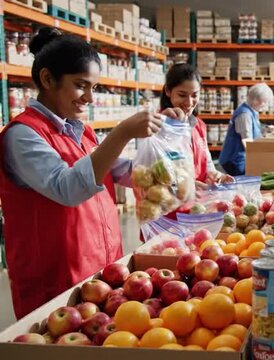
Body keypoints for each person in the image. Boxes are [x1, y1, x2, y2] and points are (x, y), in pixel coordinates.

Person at [0, 27, 164, 318]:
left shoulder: (82, 131)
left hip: (100, 272)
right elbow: (68, 189)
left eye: (94, 88)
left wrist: (164, 165)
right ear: (48, 79)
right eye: (80, 85)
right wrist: (123, 132)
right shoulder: (23, 135)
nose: (89, 97)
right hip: (55, 285)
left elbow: (119, 170)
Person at [159, 63, 234, 188]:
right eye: (182, 95)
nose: (189, 102)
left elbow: (207, 162)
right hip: (172, 201)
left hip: (199, 201)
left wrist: (216, 175)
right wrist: (188, 186)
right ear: (168, 91)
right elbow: (155, 174)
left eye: (194, 95)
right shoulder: (158, 126)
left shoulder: (198, 125)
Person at [219, 83, 273, 176]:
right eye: (264, 102)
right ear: (255, 100)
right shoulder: (244, 115)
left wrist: (266, 129)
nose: (264, 105)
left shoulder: (252, 111)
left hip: (241, 158)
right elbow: (247, 141)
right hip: (234, 160)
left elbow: (255, 130)